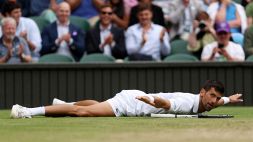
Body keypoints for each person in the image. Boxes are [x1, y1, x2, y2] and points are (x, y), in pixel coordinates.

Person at [10, 80, 243, 118]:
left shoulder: (211, 102)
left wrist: (230, 99)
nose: (214, 101)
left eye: (217, 98)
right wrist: (153, 101)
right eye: (211, 95)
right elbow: (168, 104)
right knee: (82, 113)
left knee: (96, 105)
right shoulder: (186, 102)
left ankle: (63, 104)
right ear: (202, 92)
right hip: (133, 103)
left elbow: (221, 101)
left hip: (134, 97)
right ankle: (27, 111)